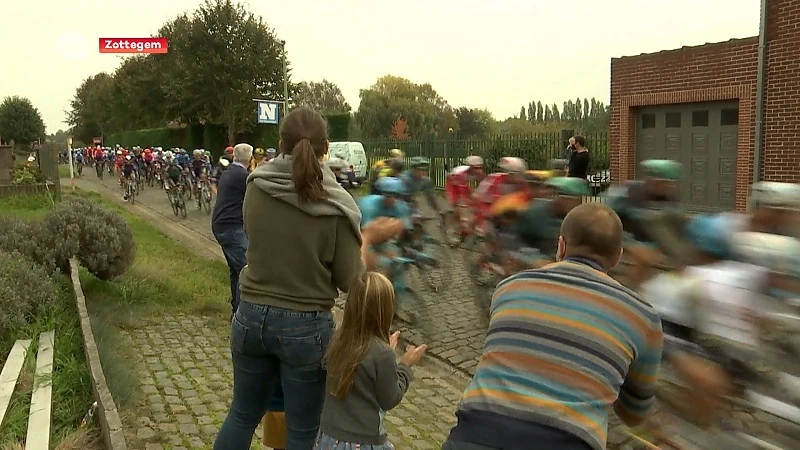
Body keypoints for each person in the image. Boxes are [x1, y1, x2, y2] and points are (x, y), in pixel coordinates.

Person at [214, 107, 374, 450]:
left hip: (251, 314)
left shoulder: (256, 186)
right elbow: (350, 281)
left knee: (241, 415)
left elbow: (252, 236)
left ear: (279, 143)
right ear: (326, 147)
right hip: (305, 329)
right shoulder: (336, 203)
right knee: (302, 431)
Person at [443, 203, 663, 450]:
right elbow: (635, 414)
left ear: (561, 246)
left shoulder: (509, 287)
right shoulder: (644, 318)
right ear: (618, 257)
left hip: (474, 433)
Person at [314, 272, 427, 450]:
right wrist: (405, 365)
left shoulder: (338, 339)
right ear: (386, 311)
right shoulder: (382, 355)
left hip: (329, 438)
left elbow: (360, 361)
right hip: (363, 441)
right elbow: (389, 398)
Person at [211, 144, 252, 320]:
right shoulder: (243, 176)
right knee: (246, 269)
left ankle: (236, 311)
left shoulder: (228, 173)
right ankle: (242, 315)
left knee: (236, 270)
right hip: (231, 226)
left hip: (221, 224)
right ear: (250, 160)